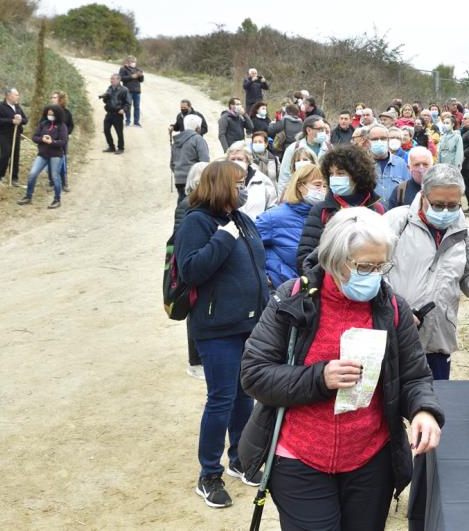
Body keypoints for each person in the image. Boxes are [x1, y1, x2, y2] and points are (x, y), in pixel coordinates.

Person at [239, 207, 443, 530]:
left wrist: (423, 411)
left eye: (381, 265)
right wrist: (320, 377)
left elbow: (415, 376)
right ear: (335, 260)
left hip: (369, 460)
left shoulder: (392, 309)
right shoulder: (293, 299)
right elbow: (254, 374)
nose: (375, 275)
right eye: (365, 266)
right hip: (299, 458)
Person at [174, 160, 269, 508]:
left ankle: (240, 459)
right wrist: (223, 237)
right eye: (238, 183)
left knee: (246, 395)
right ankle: (208, 474)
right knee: (221, 399)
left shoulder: (241, 219)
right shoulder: (196, 221)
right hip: (215, 329)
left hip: (250, 324)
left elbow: (257, 266)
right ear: (220, 185)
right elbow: (191, 270)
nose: (243, 189)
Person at [385, 164, 469, 380]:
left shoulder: (464, 233)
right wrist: (395, 308)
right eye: (437, 205)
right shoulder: (396, 223)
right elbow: (373, 272)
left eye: (453, 205)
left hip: (438, 340)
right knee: (389, 409)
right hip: (393, 337)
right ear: (422, 195)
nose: (445, 211)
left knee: (433, 406)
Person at [297, 144, 385, 273]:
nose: (334, 178)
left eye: (340, 173)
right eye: (331, 174)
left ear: (356, 175)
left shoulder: (377, 209)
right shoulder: (321, 210)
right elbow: (304, 257)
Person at [256, 164, 325, 287]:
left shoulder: (328, 216)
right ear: (300, 186)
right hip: (283, 289)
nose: (322, 190)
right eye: (317, 185)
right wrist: (266, 274)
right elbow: (247, 246)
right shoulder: (273, 217)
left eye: (325, 186)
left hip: (314, 288)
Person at [173, 161, 209, 381]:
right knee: (193, 310)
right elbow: (179, 238)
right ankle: (196, 360)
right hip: (191, 266)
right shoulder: (188, 205)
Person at [16, 104, 68, 209]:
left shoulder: (62, 126)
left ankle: (57, 199)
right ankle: (28, 196)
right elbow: (34, 137)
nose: (50, 115)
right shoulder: (43, 124)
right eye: (48, 113)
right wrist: (42, 139)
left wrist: (51, 141)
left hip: (56, 156)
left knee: (55, 177)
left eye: (52, 113)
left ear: (57, 114)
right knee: (32, 174)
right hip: (42, 154)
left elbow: (63, 142)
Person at [226, 142, 278, 221]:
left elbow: (272, 208)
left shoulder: (262, 180)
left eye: (240, 159)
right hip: (230, 230)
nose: (236, 162)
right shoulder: (221, 181)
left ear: (248, 161)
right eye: (232, 159)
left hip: (258, 229)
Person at [277, 116, 327, 192]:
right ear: (309, 130)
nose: (323, 132)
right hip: (299, 193)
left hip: (321, 193)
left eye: (324, 129)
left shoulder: (328, 148)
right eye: (320, 129)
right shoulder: (293, 148)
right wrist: (282, 198)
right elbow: (284, 176)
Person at [170, 114, 210, 201]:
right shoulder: (198, 139)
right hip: (194, 179)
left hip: (179, 179)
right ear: (197, 127)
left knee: (182, 203)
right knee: (194, 204)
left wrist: (179, 172)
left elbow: (172, 164)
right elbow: (204, 161)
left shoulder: (176, 141)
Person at [0, 87, 28, 184]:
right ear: (9, 95)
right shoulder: (0, 106)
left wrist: (20, 120)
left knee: (15, 156)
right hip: (4, 135)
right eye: (16, 95)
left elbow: (25, 120)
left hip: (16, 135)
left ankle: (14, 178)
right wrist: (11, 121)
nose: (18, 97)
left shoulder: (17, 107)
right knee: (5, 155)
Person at [42, 91, 75, 192]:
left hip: (61, 143)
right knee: (49, 163)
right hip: (48, 142)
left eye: (55, 97)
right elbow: (42, 124)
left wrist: (65, 134)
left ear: (60, 99)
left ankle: (64, 184)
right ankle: (52, 183)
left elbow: (71, 125)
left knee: (62, 164)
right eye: (51, 97)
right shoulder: (48, 111)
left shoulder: (66, 112)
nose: (52, 99)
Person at [368, 124, 409, 201]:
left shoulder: (401, 164)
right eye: (375, 139)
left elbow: (408, 190)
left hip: (395, 211)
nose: (379, 142)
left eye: (383, 138)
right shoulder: (361, 164)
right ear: (368, 142)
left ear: (388, 141)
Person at [385, 145, 432, 210]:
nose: (421, 168)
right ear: (409, 168)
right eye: (417, 165)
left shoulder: (441, 189)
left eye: (425, 164)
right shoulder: (400, 191)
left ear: (432, 166)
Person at [100, 74, 131, 154]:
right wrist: (105, 97)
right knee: (106, 130)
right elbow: (105, 101)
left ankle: (121, 148)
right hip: (109, 113)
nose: (111, 80)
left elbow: (128, 102)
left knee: (119, 132)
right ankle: (111, 147)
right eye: (111, 79)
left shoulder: (124, 90)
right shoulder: (109, 88)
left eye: (113, 79)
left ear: (118, 80)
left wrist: (124, 109)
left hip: (118, 114)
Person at [118, 55, 144, 127]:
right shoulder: (123, 69)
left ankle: (136, 122)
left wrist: (141, 76)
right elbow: (121, 78)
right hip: (128, 91)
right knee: (128, 106)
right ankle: (127, 121)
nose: (134, 63)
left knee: (137, 107)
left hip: (137, 91)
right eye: (132, 61)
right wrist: (131, 77)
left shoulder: (138, 69)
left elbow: (141, 81)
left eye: (135, 62)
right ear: (128, 62)